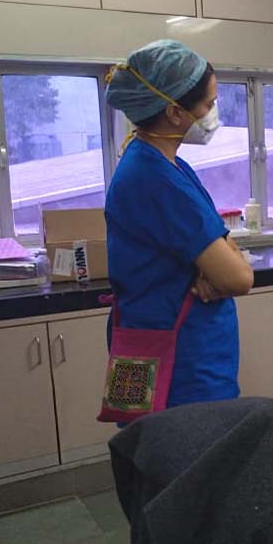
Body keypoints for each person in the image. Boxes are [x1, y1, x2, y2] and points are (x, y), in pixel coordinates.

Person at [104, 39, 253, 408]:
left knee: (145, 444)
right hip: (179, 362)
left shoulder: (164, 164)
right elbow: (239, 277)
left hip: (145, 340)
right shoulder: (155, 178)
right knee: (179, 455)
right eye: (208, 104)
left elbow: (226, 246)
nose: (213, 112)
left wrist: (218, 267)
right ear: (174, 112)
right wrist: (219, 271)